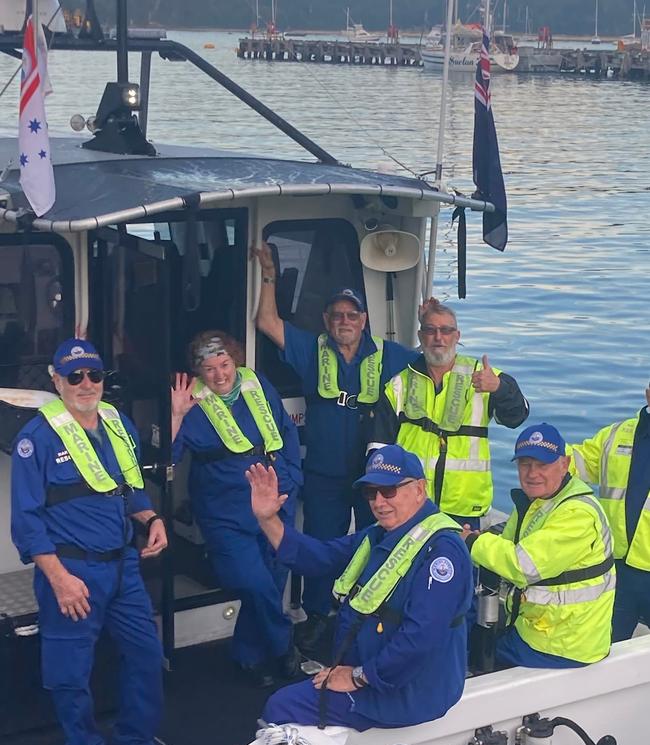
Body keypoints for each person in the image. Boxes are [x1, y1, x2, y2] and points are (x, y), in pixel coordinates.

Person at [11, 338, 187, 745]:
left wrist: (151, 519)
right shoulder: (38, 438)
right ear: (56, 380)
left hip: (123, 567)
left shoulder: (116, 423)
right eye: (74, 377)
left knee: (146, 657)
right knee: (71, 674)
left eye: (94, 375)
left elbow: (129, 489)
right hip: (71, 572)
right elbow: (26, 522)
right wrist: (58, 578)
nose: (86, 384)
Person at [251, 242, 418, 654]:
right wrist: (269, 274)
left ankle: (369, 612)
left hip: (373, 477)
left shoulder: (390, 355)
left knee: (378, 541)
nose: (344, 320)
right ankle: (317, 617)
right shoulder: (312, 349)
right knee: (321, 544)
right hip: (324, 473)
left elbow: (432, 363)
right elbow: (266, 321)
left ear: (364, 319)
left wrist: (432, 319)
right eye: (337, 315)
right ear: (326, 320)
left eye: (352, 314)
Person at [245, 445, 473, 730]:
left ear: (419, 489)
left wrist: (357, 677)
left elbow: (420, 638)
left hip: (405, 691)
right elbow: (318, 558)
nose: (378, 502)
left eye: (389, 491)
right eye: (370, 493)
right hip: (371, 674)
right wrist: (268, 519)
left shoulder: (442, 552)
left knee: (281, 708)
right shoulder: (378, 535)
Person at [171, 331, 302, 687]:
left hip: (277, 500)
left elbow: (285, 432)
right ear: (198, 372)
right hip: (225, 512)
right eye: (209, 368)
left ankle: (248, 656)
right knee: (254, 584)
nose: (219, 374)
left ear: (236, 361)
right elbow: (166, 460)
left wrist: (294, 477)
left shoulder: (256, 384)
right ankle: (283, 647)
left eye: (225, 364)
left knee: (273, 582)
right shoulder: (190, 401)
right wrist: (176, 416)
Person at [463, 423, 615, 669]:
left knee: (469, 654)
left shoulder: (577, 513)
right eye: (525, 464)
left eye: (542, 465)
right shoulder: (539, 500)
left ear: (565, 464)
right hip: (542, 625)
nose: (532, 473)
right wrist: (479, 543)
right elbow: (505, 545)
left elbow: (522, 566)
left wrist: (472, 542)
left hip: (562, 643)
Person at [370, 297, 529, 528]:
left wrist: (500, 388)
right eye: (431, 330)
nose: (438, 337)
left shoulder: (482, 374)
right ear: (421, 336)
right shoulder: (399, 384)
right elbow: (378, 448)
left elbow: (518, 415)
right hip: (411, 505)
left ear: (457, 336)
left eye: (446, 331)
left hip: (465, 508)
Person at [569, 386, 650, 641]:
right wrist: (541, 449)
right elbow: (577, 461)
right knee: (607, 647)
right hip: (616, 566)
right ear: (648, 394)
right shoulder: (615, 435)